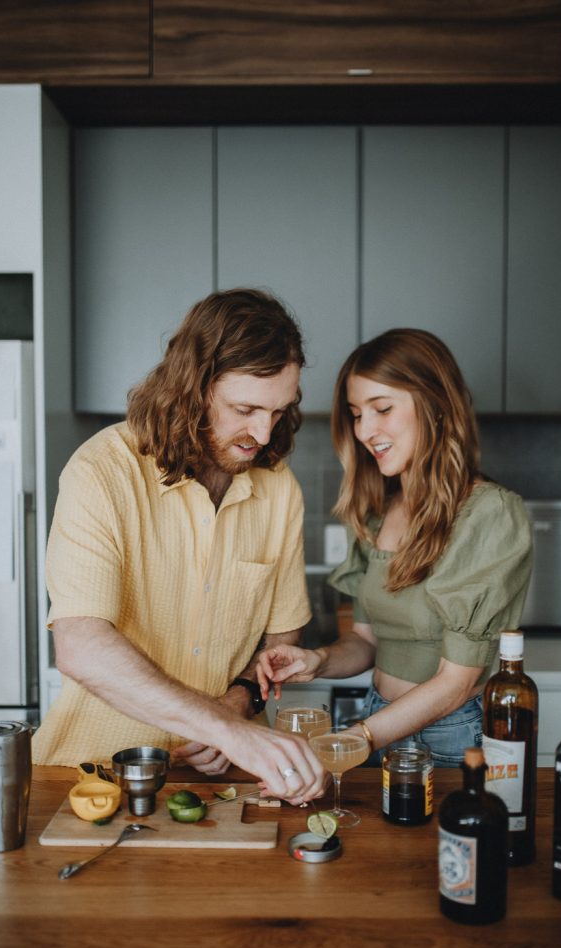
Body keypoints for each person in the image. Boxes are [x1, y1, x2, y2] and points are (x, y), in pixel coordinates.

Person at [32, 288, 326, 803]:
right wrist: (223, 726)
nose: (262, 431)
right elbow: (80, 645)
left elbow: (281, 641)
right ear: (194, 387)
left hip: (219, 787)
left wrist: (236, 705)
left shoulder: (280, 490)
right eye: (245, 408)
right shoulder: (102, 471)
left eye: (279, 411)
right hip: (89, 781)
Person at [257, 328, 533, 768]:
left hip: (450, 734)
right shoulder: (378, 511)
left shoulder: (488, 515)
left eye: (382, 409)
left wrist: (357, 738)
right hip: (376, 717)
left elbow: (456, 684)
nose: (365, 430)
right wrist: (318, 659)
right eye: (355, 414)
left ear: (436, 404)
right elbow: (365, 641)